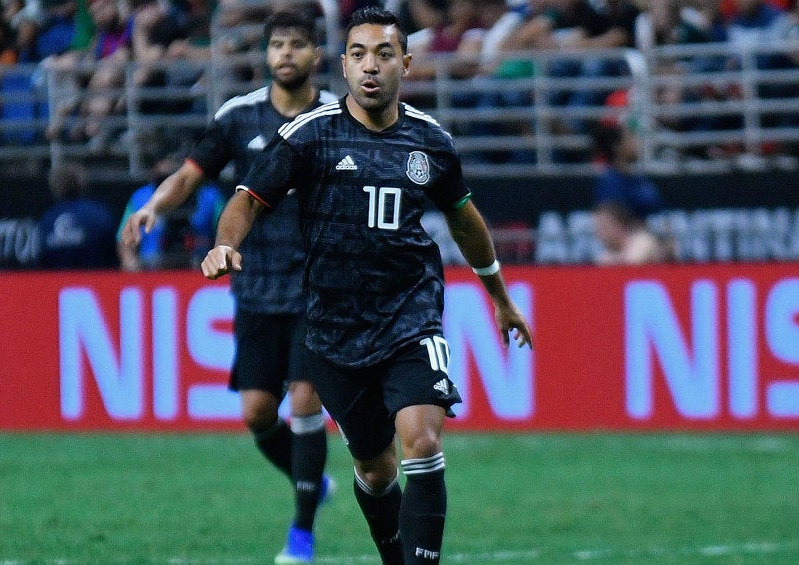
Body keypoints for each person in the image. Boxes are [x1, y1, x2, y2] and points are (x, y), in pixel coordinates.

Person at [201, 7, 533, 565]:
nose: (370, 67)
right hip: (333, 330)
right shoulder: (310, 136)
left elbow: (463, 217)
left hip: (410, 316)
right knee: (375, 473)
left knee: (422, 442)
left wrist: (497, 295)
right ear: (344, 65)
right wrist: (225, 243)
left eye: (383, 55)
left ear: (405, 63)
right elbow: (246, 199)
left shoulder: (430, 142)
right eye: (358, 55)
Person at [121, 10, 337, 565]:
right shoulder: (239, 118)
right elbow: (191, 175)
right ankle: (310, 478)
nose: (285, 55)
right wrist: (152, 206)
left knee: (307, 398)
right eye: (277, 46)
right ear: (265, 55)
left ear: (316, 54)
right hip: (256, 283)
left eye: (297, 45)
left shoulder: (338, 117)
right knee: (257, 412)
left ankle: (301, 534)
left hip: (320, 284)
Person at [38, 161, 117, 269]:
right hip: (94, 279)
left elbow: (42, 258)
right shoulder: (98, 214)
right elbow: (112, 252)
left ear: (56, 186)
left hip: (58, 281)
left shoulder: (48, 218)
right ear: (82, 183)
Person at [592, 201, 673, 265]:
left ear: (619, 224)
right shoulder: (606, 255)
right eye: (597, 227)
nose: (599, 232)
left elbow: (633, 263)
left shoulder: (643, 240)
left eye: (603, 226)